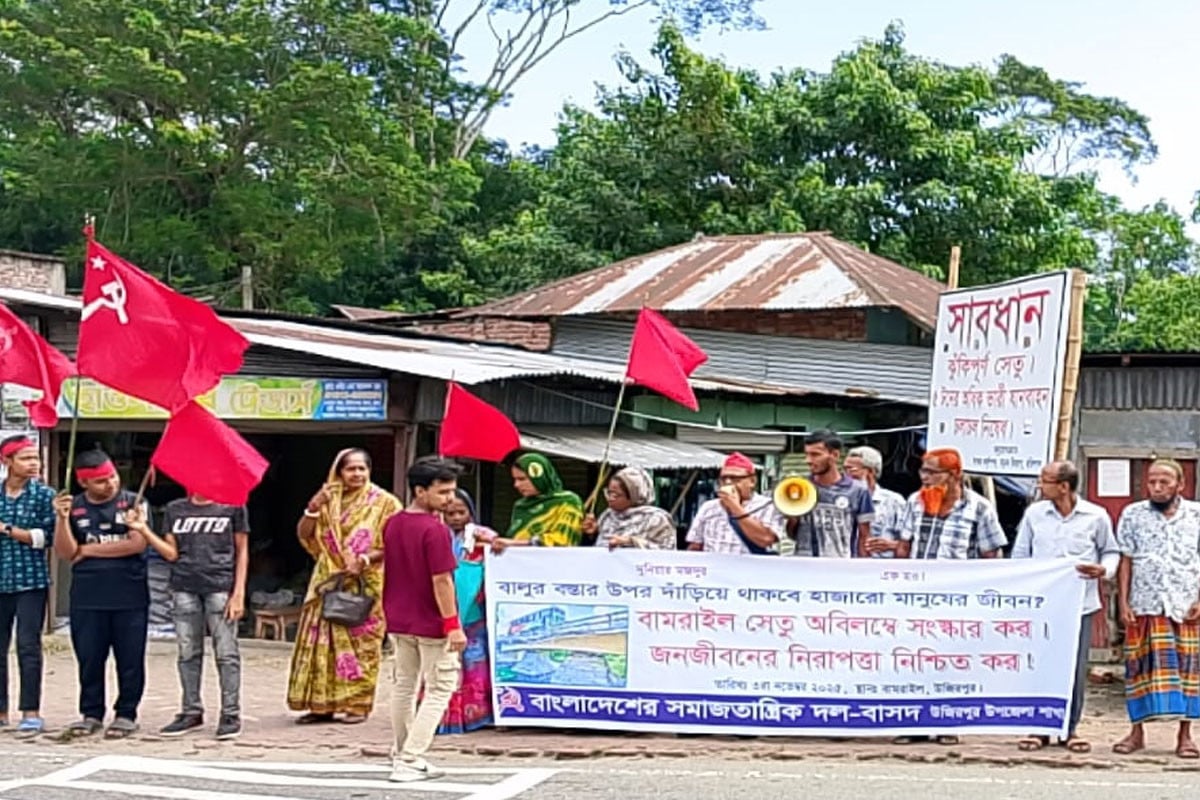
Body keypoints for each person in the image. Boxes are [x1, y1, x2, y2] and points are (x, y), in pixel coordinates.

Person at [894, 447, 1006, 746]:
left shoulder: (979, 508)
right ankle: (914, 723)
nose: (926, 478)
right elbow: (904, 549)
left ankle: (947, 722)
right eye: (923, 472)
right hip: (916, 598)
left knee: (950, 661)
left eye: (933, 473)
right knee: (914, 660)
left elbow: (989, 555)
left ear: (955, 475)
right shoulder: (914, 503)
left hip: (957, 601)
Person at [287, 448, 402, 725]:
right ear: (339, 472)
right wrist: (312, 508)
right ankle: (320, 705)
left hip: (366, 583)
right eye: (351, 469)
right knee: (319, 644)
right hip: (328, 581)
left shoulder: (385, 503)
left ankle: (357, 705)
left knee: (362, 646)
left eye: (362, 469)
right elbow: (304, 535)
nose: (357, 474)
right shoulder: (328, 499)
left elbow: (395, 543)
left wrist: (364, 559)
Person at [1012, 460, 1118, 754]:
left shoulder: (1095, 516)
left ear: (1064, 486)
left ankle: (1068, 730)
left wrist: (1103, 570)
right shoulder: (1035, 514)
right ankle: (1038, 728)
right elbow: (1021, 554)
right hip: (1042, 605)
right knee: (1040, 665)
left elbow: (1111, 550)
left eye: (1044, 480)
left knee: (1074, 668)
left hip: (1079, 604)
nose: (1039, 485)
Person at [51, 448, 150, 740]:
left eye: (113, 477)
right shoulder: (75, 506)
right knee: (89, 658)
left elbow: (135, 544)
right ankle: (91, 713)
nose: (110, 484)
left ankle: (126, 713)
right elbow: (66, 552)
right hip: (87, 597)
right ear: (84, 483)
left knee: (130, 659)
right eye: (101, 481)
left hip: (130, 595)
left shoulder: (133, 502)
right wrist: (60, 518)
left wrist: (89, 550)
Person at [138, 492, 250, 740]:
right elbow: (171, 553)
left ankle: (230, 713)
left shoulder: (233, 505)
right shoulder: (174, 508)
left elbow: (242, 550)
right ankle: (191, 710)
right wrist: (143, 530)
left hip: (221, 586)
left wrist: (239, 592)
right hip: (183, 587)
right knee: (188, 653)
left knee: (227, 653)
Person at [383, 458, 467, 783]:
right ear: (421, 491)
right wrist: (453, 624)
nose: (450, 498)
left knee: (404, 685)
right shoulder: (435, 530)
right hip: (431, 621)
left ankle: (402, 752)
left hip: (399, 618)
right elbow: (442, 581)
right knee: (440, 686)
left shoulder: (393, 523)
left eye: (452, 490)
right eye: (443, 491)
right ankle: (411, 757)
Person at [1112, 459, 1200, 759]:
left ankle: (1185, 736)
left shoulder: (1197, 516)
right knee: (1139, 669)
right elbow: (1126, 560)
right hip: (1144, 603)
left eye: (1164, 482)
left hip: (1185, 604)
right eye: (1152, 482)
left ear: (1180, 485)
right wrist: (1123, 602)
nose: (1158, 487)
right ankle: (1136, 733)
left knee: (1189, 671)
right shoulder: (1133, 514)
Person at [0, 436, 55, 736]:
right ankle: (1, 711)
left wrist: (8, 529)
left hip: (31, 581)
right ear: (7, 461)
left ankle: (31, 711)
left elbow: (45, 538)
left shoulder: (44, 496)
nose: (33, 464)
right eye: (25, 458)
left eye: (36, 458)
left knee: (27, 646)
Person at [437, 489, 496, 735]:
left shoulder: (483, 535)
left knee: (475, 663)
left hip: (474, 611)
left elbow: (499, 552)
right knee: (442, 664)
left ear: (471, 512)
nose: (456, 518)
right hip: (443, 609)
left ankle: (477, 715)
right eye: (450, 513)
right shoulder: (437, 536)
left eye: (462, 512)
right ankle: (443, 717)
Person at [787, 430, 874, 558]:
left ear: (835, 455)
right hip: (804, 567)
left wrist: (862, 572)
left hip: (840, 568)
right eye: (806, 454)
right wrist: (792, 517)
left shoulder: (858, 491)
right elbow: (792, 535)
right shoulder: (800, 488)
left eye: (815, 454)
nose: (808, 460)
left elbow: (864, 537)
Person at [686, 453, 786, 555]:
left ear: (752, 481)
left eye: (735, 479)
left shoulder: (768, 506)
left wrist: (735, 507)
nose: (728, 482)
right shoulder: (708, 507)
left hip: (752, 569)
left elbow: (766, 539)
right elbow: (696, 545)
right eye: (724, 479)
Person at [493, 453, 583, 550]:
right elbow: (512, 540)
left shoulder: (568, 502)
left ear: (538, 477)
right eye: (515, 479)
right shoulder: (521, 506)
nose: (516, 485)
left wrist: (520, 543)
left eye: (522, 479)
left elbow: (563, 540)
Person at [583, 466, 677, 550]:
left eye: (616, 495)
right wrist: (592, 534)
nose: (610, 499)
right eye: (609, 493)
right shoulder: (607, 516)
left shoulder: (657, 520)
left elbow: (666, 553)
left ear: (634, 496)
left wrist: (631, 542)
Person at [844, 445, 906, 559]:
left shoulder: (894, 501)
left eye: (852, 469)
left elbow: (911, 542)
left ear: (871, 471)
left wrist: (891, 545)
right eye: (844, 469)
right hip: (844, 569)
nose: (846, 475)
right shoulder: (841, 500)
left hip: (880, 569)